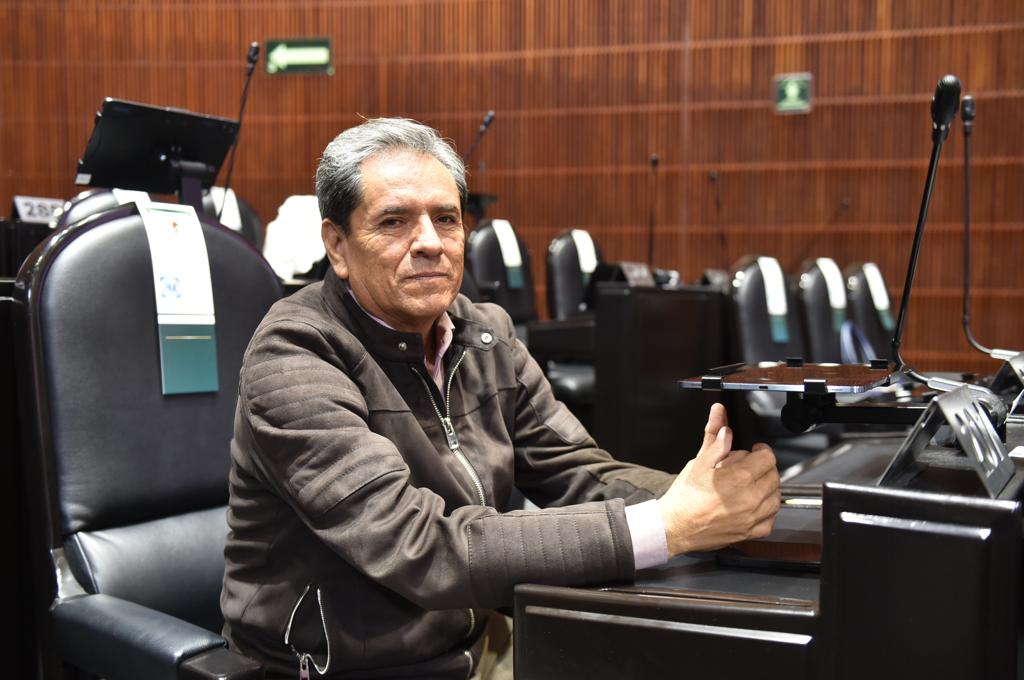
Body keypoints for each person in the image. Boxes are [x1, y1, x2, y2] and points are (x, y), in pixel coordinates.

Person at [220, 117, 781, 679]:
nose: (430, 243)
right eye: (394, 222)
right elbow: (420, 548)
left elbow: (578, 472)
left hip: (479, 641)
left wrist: (711, 497)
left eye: (446, 219)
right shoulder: (294, 353)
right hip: (345, 668)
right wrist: (667, 526)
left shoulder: (484, 333)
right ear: (337, 246)